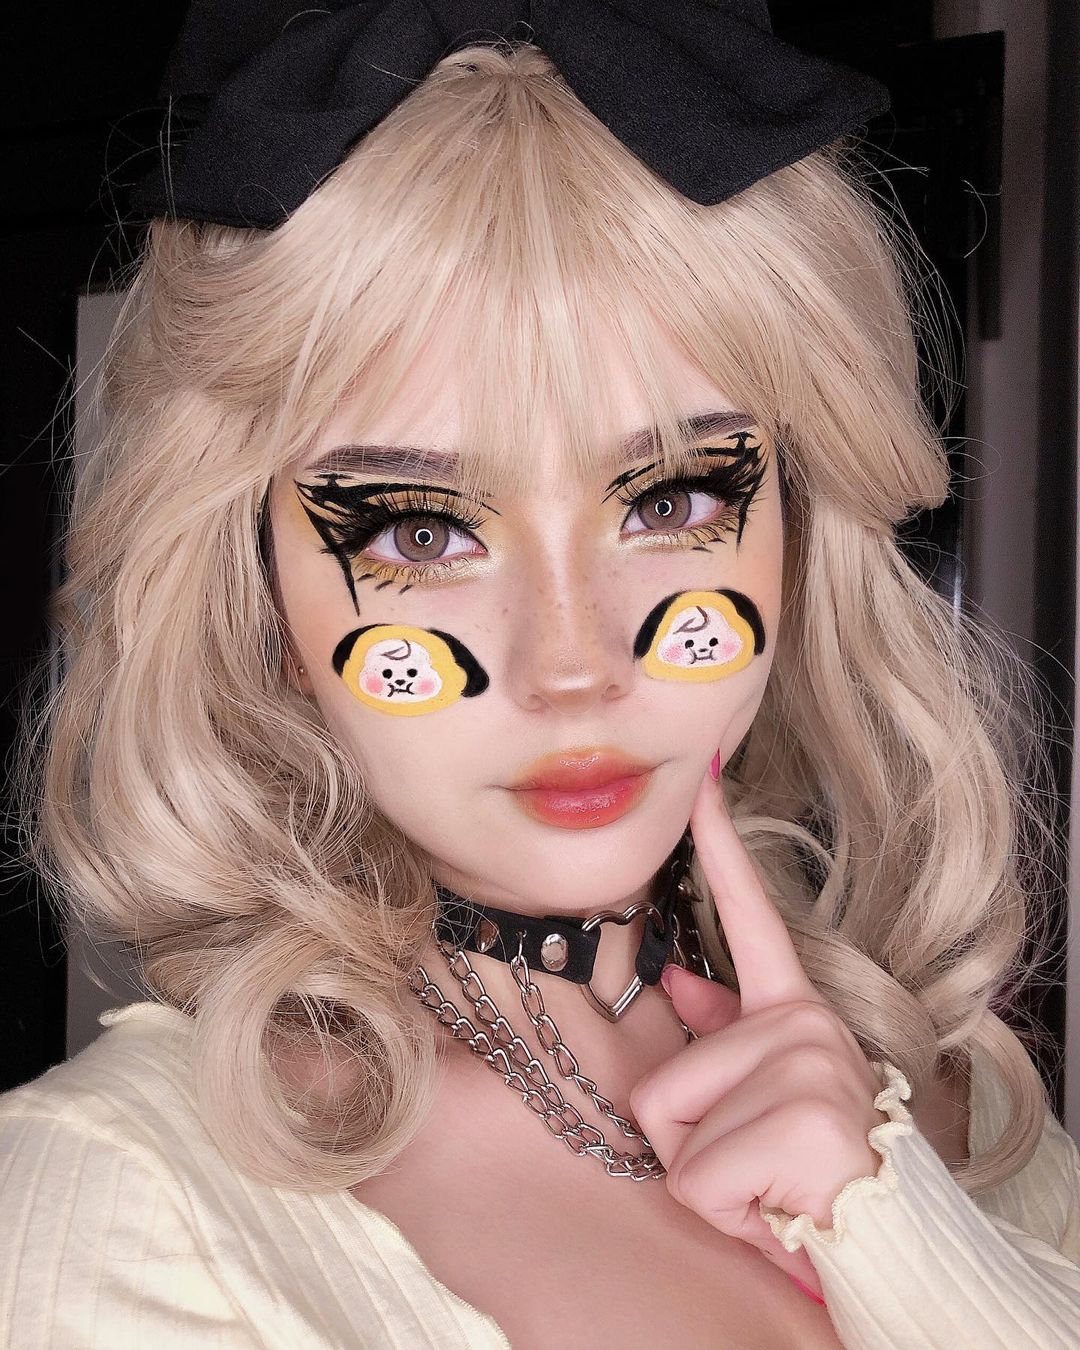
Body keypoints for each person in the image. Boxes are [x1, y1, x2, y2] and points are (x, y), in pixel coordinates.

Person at [2, 4, 1080, 1347]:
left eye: (672, 500)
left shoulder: (958, 1100)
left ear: (798, 536)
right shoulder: (112, 1196)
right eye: (420, 534)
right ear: (259, 590)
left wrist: (898, 1226)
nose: (573, 666)